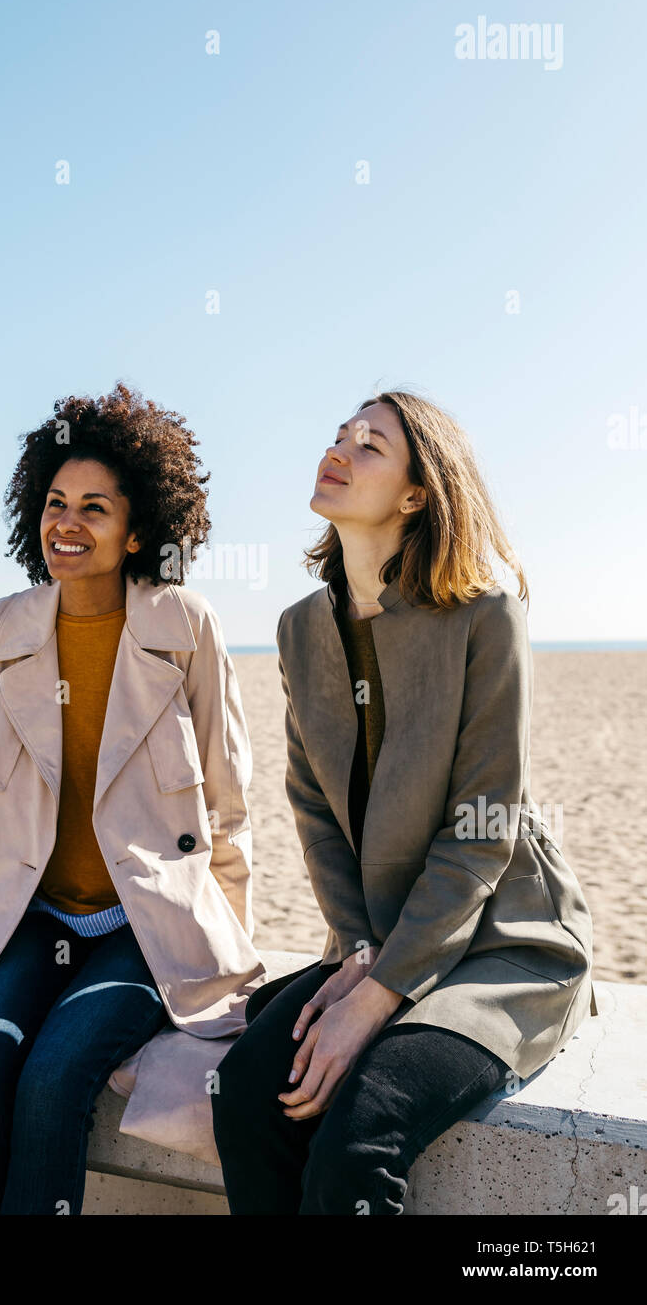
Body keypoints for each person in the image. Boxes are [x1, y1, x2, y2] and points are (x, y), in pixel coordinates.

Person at [0, 382, 265, 1215]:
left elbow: (228, 809)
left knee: (54, 1077)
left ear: (138, 529)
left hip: (145, 926)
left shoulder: (184, 625)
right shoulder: (1, 630)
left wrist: (220, 960)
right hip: (36, 920)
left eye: (94, 507)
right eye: (55, 503)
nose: (67, 523)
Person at [211, 389, 597, 1216]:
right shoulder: (298, 629)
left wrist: (380, 993)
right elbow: (312, 806)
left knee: (359, 1132)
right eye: (340, 435)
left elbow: (483, 830)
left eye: (372, 445)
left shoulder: (485, 615)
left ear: (417, 493)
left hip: (500, 940)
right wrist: (355, 954)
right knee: (247, 1091)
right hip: (373, 936)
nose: (341, 450)